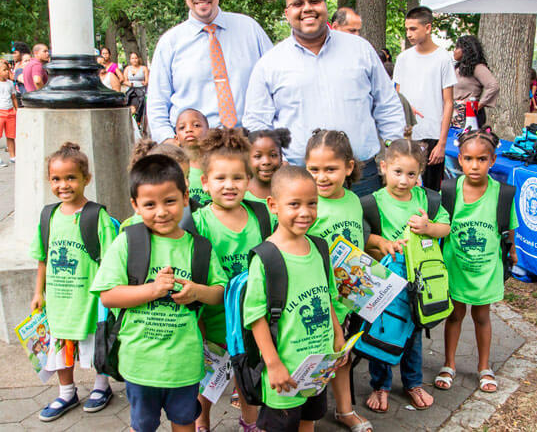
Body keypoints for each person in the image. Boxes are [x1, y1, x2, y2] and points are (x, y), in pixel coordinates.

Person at [91, 154, 227, 432]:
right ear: (135, 206)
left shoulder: (199, 248)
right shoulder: (128, 242)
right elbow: (108, 295)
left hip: (184, 364)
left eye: (170, 201)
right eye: (150, 204)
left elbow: (218, 293)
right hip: (140, 363)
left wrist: (196, 292)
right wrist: (152, 290)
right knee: (142, 425)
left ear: (185, 197)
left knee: (184, 420)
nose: (161, 212)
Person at [244, 0, 406, 196]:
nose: (307, 8)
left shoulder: (360, 50)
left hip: (361, 177)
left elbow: (387, 105)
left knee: (367, 231)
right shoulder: (270, 63)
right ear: (287, 12)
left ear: (325, 6)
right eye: (298, 4)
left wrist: (396, 154)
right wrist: (275, 161)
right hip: (300, 178)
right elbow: (257, 123)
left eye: (314, 1)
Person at [305, 129, 407, 432]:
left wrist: (381, 248)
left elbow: (358, 241)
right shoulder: (309, 205)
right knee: (316, 356)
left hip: (349, 296)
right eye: (314, 169)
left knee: (343, 354)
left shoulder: (353, 200)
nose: (322, 177)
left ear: (349, 167)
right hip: (318, 298)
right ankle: (303, 414)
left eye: (330, 169)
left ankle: (344, 411)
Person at [243, 165, 346, 432]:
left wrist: (338, 336)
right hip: (284, 371)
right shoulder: (266, 258)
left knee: (308, 421)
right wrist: (273, 364)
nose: (305, 212)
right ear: (273, 205)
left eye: (312, 203)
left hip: (316, 366)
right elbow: (255, 317)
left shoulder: (320, 248)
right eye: (294, 204)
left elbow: (328, 298)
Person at [192, 128, 273, 432]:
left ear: (248, 179)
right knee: (208, 379)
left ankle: (249, 424)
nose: (229, 185)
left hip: (253, 319)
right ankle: (202, 424)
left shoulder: (261, 216)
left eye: (238, 178)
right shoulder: (198, 222)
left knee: (249, 375)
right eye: (220, 178)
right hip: (210, 320)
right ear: (205, 182)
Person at [29, 142, 117, 421]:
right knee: (59, 347)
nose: (63, 185)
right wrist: (37, 292)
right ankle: (66, 391)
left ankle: (102, 387)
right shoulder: (49, 216)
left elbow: (110, 259)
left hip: (89, 300)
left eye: (71, 178)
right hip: (58, 300)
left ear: (85, 179)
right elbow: (42, 257)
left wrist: (108, 294)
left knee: (95, 343)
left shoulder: (96, 216)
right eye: (56, 178)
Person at [363, 139, 450, 414]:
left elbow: (446, 228)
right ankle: (381, 385)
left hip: (418, 283)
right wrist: (383, 243)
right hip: (385, 283)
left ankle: (412, 382)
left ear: (420, 173)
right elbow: (363, 238)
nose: (404, 180)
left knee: (412, 335)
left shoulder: (426, 198)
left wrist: (428, 227)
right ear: (383, 167)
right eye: (397, 172)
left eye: (411, 174)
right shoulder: (371, 202)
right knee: (383, 334)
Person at [147, 0, 272, 143]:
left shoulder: (250, 29)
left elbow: (275, 84)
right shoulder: (170, 43)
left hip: (248, 144)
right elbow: (157, 103)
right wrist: (169, 142)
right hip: (195, 148)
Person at [434, 127, 518, 395]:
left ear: (492, 160)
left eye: (482, 159)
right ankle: (449, 364)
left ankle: (484, 367)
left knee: (482, 316)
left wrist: (512, 251)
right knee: (455, 314)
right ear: (459, 159)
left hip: (486, 269)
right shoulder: (449, 190)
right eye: (469, 159)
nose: (475, 165)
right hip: (455, 266)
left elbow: (508, 226)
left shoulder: (502, 193)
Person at [393, 6, 456, 191]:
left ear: (427, 28)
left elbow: (448, 102)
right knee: (402, 188)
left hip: (431, 137)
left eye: (413, 29)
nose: (409, 34)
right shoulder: (403, 58)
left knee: (429, 192)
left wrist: (442, 143)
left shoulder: (443, 59)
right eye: (407, 29)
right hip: (405, 135)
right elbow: (396, 96)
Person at [119, 139, 191, 231]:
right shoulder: (133, 228)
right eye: (150, 205)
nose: (186, 183)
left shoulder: (195, 213)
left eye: (187, 176)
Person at [452, 35, 499, 128]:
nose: (454, 51)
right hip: (454, 114)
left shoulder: (477, 68)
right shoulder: (457, 67)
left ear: (465, 50)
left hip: (469, 115)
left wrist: (477, 106)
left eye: (457, 47)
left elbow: (493, 86)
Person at [246, 128, 291, 211]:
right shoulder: (241, 194)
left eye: (273, 155)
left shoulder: (289, 190)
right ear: (247, 159)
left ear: (281, 158)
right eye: (258, 156)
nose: (266, 162)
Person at [174, 108, 211, 206]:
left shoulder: (215, 165)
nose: (189, 129)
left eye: (196, 125)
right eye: (182, 127)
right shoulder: (175, 169)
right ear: (176, 138)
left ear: (208, 132)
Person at [123, 52, 149, 129]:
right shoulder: (127, 69)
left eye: (136, 58)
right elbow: (124, 81)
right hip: (131, 91)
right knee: (129, 105)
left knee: (142, 105)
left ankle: (140, 123)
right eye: (132, 58)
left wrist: (145, 83)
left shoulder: (143, 68)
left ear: (138, 59)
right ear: (130, 60)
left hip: (141, 90)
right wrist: (129, 84)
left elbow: (147, 80)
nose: (134, 60)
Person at [0, 60, 18, 164]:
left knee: (11, 136)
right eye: (4, 70)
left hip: (10, 112)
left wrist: (17, 110)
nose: (7, 72)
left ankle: (13, 156)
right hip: (0, 112)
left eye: (8, 70)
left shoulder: (10, 83)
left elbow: (14, 97)